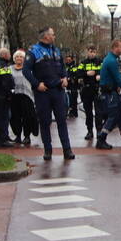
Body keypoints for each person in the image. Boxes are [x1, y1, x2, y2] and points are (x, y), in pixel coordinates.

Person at [24, 27, 74, 161]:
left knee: (62, 120)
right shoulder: (33, 51)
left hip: (58, 90)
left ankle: (67, 150)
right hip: (43, 92)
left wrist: (65, 78)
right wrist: (36, 84)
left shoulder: (56, 50)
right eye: (53, 34)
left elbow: (63, 67)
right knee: (45, 122)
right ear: (46, 37)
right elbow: (26, 71)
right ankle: (47, 150)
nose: (54, 37)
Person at [96, 39, 121, 150]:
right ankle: (101, 139)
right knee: (113, 116)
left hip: (110, 93)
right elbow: (117, 80)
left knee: (120, 116)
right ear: (115, 48)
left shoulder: (111, 59)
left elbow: (117, 75)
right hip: (110, 93)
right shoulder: (112, 61)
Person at [74, 45, 103, 142]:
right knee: (88, 112)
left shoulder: (99, 62)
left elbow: (103, 71)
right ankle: (89, 131)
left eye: (94, 52)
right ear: (87, 52)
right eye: (90, 51)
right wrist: (86, 73)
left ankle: (99, 131)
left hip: (96, 89)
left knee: (98, 112)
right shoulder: (83, 63)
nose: (92, 53)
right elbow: (77, 73)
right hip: (86, 90)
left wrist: (99, 74)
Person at [10, 49, 38, 146]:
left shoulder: (28, 69)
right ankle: (17, 135)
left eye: (21, 57)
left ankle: (27, 136)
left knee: (27, 117)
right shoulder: (10, 69)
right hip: (14, 96)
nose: (19, 58)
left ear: (24, 59)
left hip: (26, 96)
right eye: (17, 57)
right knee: (15, 117)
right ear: (14, 58)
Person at [64, 53, 79, 118]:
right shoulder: (66, 67)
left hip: (73, 86)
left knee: (73, 100)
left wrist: (70, 78)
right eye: (67, 60)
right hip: (67, 86)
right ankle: (70, 111)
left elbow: (76, 75)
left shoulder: (74, 67)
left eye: (69, 60)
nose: (68, 61)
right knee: (68, 100)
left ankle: (74, 113)